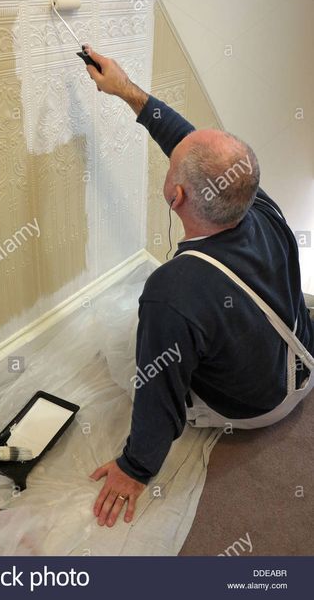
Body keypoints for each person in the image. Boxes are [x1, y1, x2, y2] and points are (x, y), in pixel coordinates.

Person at [84, 45, 314, 528]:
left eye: (173, 168)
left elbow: (158, 395)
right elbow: (190, 143)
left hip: (256, 408)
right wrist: (127, 91)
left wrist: (135, 468)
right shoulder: (256, 203)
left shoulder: (173, 290)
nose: (172, 159)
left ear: (177, 195)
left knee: (129, 352)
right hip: (303, 364)